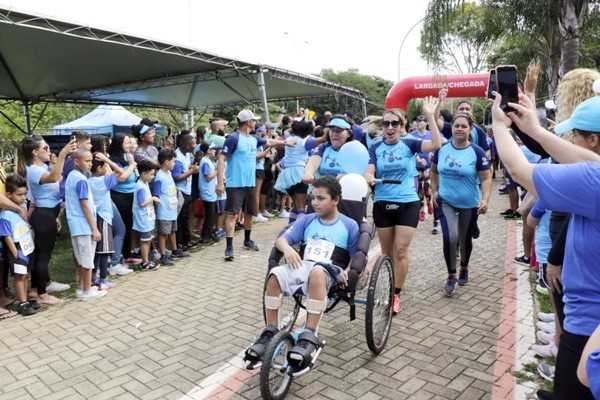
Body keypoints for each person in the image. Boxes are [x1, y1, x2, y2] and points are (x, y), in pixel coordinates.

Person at [491, 92, 600, 400]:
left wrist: (499, 125)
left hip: (588, 327)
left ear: (593, 138)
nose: (571, 143)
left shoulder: (594, 181)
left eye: (574, 136)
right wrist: (535, 131)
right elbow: (590, 160)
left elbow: (519, 171)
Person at [243, 176, 359, 369]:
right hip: (304, 266)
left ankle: (309, 334)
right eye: (312, 198)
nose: (314, 203)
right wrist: (288, 250)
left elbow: (356, 257)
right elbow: (281, 240)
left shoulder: (349, 225)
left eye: (320, 198)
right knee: (275, 275)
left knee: (317, 272)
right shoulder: (306, 221)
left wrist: (348, 271)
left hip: (330, 269)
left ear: (335, 200)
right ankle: (271, 330)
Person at [364, 97, 443, 314]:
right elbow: (370, 168)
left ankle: (395, 293)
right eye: (386, 124)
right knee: (387, 253)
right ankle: (389, 282)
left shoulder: (410, 143)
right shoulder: (376, 146)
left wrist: (430, 116)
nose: (390, 128)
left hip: (407, 203)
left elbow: (435, 144)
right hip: (382, 204)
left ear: (402, 126)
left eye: (394, 124)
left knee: (400, 250)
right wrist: (368, 176)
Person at [431, 113, 492, 295]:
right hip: (446, 200)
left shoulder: (477, 152)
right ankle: (451, 275)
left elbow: (487, 177)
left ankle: (464, 267)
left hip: (469, 203)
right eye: (456, 125)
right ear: (452, 128)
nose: (459, 129)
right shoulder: (442, 150)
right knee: (451, 236)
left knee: (465, 239)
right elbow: (433, 171)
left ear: (470, 129)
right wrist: (434, 190)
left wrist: (485, 199)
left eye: (464, 126)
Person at [216, 110, 283, 261]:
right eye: (254, 121)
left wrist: (285, 142)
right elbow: (221, 159)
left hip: (250, 182)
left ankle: (247, 240)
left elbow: (269, 142)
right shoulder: (233, 138)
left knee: (249, 213)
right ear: (248, 122)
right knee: (232, 215)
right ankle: (229, 247)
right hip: (235, 183)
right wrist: (220, 181)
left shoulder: (253, 139)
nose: (255, 123)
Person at [19, 136, 77, 305]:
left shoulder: (41, 166)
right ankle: (42, 295)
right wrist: (63, 154)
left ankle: (35, 289)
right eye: (45, 148)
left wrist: (57, 216)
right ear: (35, 152)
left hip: (48, 213)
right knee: (43, 257)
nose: (49, 150)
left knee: (41, 256)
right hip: (43, 214)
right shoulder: (34, 170)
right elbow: (54, 177)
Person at [65, 149, 106, 301]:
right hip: (83, 225)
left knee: (82, 259)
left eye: (91, 160)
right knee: (87, 260)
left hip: (76, 225)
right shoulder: (81, 180)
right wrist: (94, 228)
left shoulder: (71, 176)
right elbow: (85, 205)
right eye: (87, 161)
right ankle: (87, 292)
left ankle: (82, 287)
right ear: (77, 161)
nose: (91, 164)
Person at [0, 174, 36, 315]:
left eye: (25, 194)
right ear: (8, 195)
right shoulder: (5, 215)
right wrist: (14, 252)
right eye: (19, 195)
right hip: (17, 249)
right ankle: (23, 303)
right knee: (19, 276)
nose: (23, 198)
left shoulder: (20, 209)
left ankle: (25, 299)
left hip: (26, 247)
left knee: (25, 275)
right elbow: (6, 235)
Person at [274, 120, 323, 223]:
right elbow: (322, 140)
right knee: (301, 207)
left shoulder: (288, 139)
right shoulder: (305, 142)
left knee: (295, 205)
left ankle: (290, 226)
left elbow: (287, 131)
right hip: (299, 173)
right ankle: (301, 228)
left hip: (286, 175)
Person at [88, 153, 125, 290]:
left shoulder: (89, 180)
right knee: (104, 251)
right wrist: (107, 159)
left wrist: (105, 161)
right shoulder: (103, 181)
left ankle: (93, 277)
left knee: (97, 251)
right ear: (99, 169)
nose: (107, 167)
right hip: (103, 217)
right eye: (105, 166)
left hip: (94, 217)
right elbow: (121, 172)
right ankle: (103, 280)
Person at [153, 149, 189, 265]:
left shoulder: (168, 173)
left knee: (173, 230)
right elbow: (156, 194)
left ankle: (175, 250)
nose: (174, 164)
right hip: (164, 210)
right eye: (173, 161)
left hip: (172, 208)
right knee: (163, 233)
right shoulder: (159, 176)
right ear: (166, 162)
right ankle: (163, 255)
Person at [108, 133, 138, 265]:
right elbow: (120, 178)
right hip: (119, 196)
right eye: (126, 143)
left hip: (132, 195)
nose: (129, 145)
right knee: (122, 228)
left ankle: (127, 255)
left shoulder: (128, 156)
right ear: (119, 144)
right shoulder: (113, 159)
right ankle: (117, 256)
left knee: (129, 225)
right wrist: (131, 165)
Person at [303, 115, 355, 183]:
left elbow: (360, 172)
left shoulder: (354, 149)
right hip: (324, 190)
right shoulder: (323, 147)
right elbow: (313, 163)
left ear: (349, 134)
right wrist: (308, 173)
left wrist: (348, 177)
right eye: (332, 130)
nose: (335, 134)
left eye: (339, 131)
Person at [172, 132, 199, 252]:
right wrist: (191, 172)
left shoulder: (187, 154)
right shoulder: (177, 158)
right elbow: (176, 177)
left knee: (187, 217)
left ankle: (187, 240)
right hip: (180, 191)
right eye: (194, 143)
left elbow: (187, 169)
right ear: (187, 145)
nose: (196, 144)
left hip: (187, 190)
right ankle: (180, 243)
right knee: (181, 218)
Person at [132, 160, 160, 271]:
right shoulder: (141, 186)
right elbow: (141, 203)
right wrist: (153, 198)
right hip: (143, 217)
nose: (153, 177)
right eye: (152, 174)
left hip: (147, 217)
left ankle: (146, 259)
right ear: (143, 174)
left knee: (148, 239)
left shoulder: (144, 183)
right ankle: (145, 262)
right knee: (145, 240)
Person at [198, 142, 219, 244]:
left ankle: (209, 234)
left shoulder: (208, 161)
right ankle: (205, 237)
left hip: (211, 192)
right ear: (208, 151)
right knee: (209, 215)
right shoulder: (205, 161)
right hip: (208, 192)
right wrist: (217, 170)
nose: (215, 151)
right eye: (213, 149)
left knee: (212, 214)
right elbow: (208, 177)